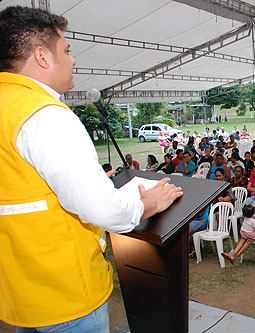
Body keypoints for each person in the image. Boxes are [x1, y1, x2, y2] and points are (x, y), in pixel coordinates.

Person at [0, 6, 183, 331]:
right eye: (67, 50)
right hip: (66, 294)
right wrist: (150, 203)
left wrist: (91, 181)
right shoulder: (45, 116)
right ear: (42, 57)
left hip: (21, 294)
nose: (74, 60)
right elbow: (102, 211)